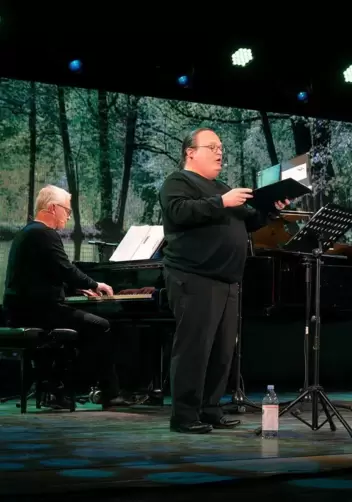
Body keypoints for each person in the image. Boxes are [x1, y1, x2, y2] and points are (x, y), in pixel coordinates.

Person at [159, 127, 289, 434]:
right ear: (190, 152)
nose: (220, 153)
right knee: (195, 348)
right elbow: (180, 213)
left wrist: (269, 209)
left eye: (221, 148)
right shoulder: (177, 181)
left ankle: (210, 408)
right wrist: (222, 201)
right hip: (194, 275)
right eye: (212, 147)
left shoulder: (221, 187)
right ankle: (185, 415)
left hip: (227, 279)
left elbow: (248, 221)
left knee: (221, 350)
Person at [3, 185, 127, 409]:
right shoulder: (44, 233)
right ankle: (104, 393)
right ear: (52, 208)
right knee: (101, 326)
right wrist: (95, 284)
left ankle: (57, 387)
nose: (68, 216)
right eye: (67, 211)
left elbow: (45, 273)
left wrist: (75, 289)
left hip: (20, 309)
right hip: (38, 312)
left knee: (85, 327)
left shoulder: (27, 232)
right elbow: (65, 268)